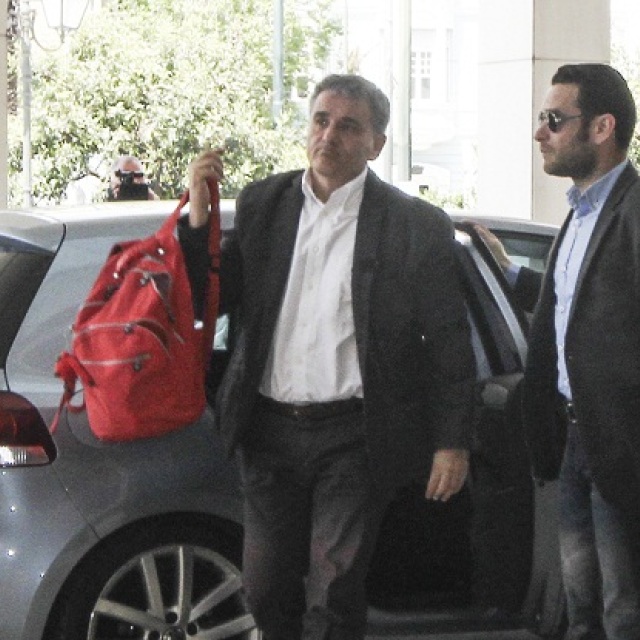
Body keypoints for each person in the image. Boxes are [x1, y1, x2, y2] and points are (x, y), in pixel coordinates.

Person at [181, 73, 476, 639]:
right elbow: (215, 297)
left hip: (355, 437)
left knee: (335, 590)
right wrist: (199, 220)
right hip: (268, 431)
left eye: (348, 126)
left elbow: (448, 341)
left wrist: (452, 442)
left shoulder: (413, 226)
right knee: (265, 589)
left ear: (376, 144)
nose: (328, 135)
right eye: (321, 120)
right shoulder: (265, 203)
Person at [522, 63, 640, 640]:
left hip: (623, 445)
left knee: (624, 609)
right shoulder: (579, 212)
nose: (539, 133)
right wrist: (508, 273)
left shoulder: (633, 212)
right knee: (580, 603)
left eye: (553, 119)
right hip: (574, 438)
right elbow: (573, 306)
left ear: (601, 128)